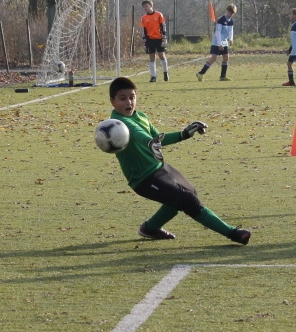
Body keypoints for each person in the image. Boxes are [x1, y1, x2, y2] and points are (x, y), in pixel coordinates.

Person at [106, 76, 250, 245]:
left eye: (132, 97)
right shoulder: (117, 123)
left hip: (159, 168)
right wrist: (150, 142)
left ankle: (150, 228)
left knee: (189, 193)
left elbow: (158, 138)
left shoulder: (141, 116)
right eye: (123, 99)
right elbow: (138, 133)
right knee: (186, 200)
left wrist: (184, 133)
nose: (129, 102)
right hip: (143, 179)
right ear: (112, 102)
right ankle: (233, 233)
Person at [197, 5, 236, 81]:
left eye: (232, 13)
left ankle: (222, 76)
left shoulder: (231, 21)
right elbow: (218, 32)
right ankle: (200, 73)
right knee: (213, 58)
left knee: (226, 57)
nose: (230, 15)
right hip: (217, 41)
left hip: (224, 41)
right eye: (229, 13)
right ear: (227, 11)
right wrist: (219, 44)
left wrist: (231, 39)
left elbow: (231, 30)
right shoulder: (221, 20)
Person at [139, 0, 169, 82]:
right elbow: (143, 30)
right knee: (151, 57)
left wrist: (164, 37)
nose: (145, 8)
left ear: (151, 5)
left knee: (161, 55)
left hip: (159, 38)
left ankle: (165, 72)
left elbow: (163, 26)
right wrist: (145, 42)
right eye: (144, 7)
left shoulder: (158, 14)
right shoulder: (144, 18)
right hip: (150, 39)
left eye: (146, 6)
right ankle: (153, 76)